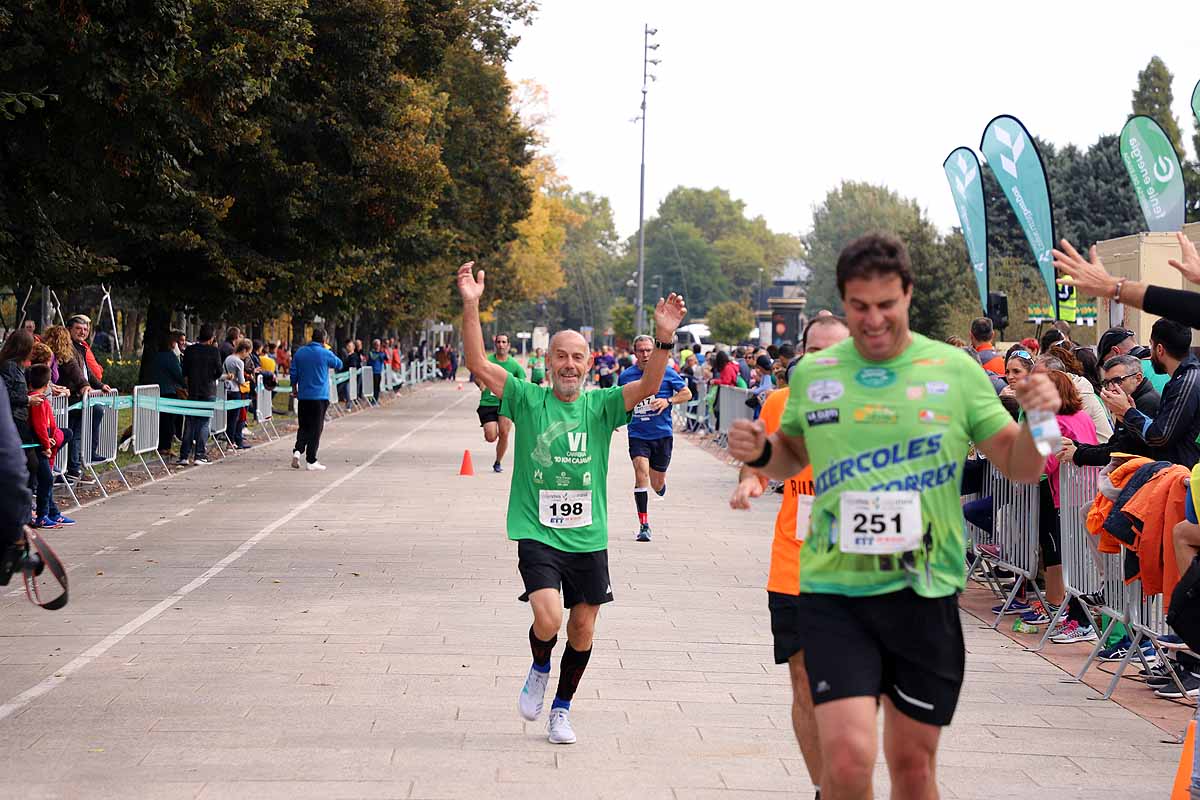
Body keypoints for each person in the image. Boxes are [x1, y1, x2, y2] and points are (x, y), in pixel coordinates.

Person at [727, 233, 1060, 800]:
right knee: (849, 759)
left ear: (908, 294)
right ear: (844, 301)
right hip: (836, 589)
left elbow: (1022, 466)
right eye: (859, 307)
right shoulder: (816, 374)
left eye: (886, 305)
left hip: (922, 593)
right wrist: (761, 453)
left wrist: (1041, 425)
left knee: (911, 767)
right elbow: (792, 455)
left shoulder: (953, 370)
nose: (873, 319)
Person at [457, 259, 686, 746]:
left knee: (582, 628)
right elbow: (478, 365)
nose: (568, 365)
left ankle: (561, 708)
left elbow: (648, 386)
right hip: (537, 530)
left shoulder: (600, 405)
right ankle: (540, 666)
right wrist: (472, 305)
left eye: (577, 357)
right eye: (560, 356)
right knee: (549, 618)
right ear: (548, 363)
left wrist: (664, 337)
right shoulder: (526, 397)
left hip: (588, 536)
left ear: (587, 364)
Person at [729, 314, 850, 800]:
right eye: (813, 351)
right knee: (804, 683)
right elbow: (758, 460)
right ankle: (825, 788)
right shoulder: (783, 403)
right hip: (794, 567)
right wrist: (749, 481)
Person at [1096, 318, 1200, 468]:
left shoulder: (1186, 383)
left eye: (1150, 345)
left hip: (1183, 479)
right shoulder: (1181, 380)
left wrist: (1128, 411)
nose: (1149, 354)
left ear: (1159, 349)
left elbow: (1160, 436)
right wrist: (1130, 414)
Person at [617, 335, 691, 542]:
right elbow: (616, 399)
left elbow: (687, 393)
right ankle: (644, 525)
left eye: (649, 350)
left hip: (662, 434)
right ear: (634, 353)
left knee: (656, 483)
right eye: (641, 350)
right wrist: (611, 420)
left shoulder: (666, 373)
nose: (645, 354)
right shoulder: (626, 376)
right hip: (638, 434)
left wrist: (668, 400)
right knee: (641, 474)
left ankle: (660, 487)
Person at [1061, 354, 1160, 467]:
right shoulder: (1126, 401)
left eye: (1117, 381)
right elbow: (1114, 444)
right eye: (1107, 383)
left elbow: (1124, 453)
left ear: (1138, 378)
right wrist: (1077, 447)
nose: (1111, 388)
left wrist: (1078, 453)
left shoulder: (1148, 402)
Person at [26, 365, 73, 529]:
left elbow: (50, 423)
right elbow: (41, 426)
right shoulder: (38, 401)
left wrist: (52, 437)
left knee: (45, 479)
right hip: (39, 446)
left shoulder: (39, 400)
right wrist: (47, 444)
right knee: (45, 479)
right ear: (47, 385)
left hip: (42, 442)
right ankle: (42, 514)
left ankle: (47, 513)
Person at [290, 328, 343, 471]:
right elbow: (339, 364)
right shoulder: (325, 353)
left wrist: (294, 388)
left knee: (304, 425)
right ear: (324, 340)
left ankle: (297, 450)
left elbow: (293, 372)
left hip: (304, 395)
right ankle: (311, 460)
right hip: (320, 396)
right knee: (316, 428)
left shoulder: (300, 352)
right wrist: (327, 349)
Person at [64, 315, 110, 479]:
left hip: (80, 396)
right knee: (72, 433)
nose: (82, 332)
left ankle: (80, 462)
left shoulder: (81, 347)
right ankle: (72, 468)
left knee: (84, 425)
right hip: (71, 397)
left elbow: (87, 372)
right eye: (78, 329)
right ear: (69, 329)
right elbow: (74, 370)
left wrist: (100, 385)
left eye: (85, 329)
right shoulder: (67, 347)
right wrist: (84, 385)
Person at [476, 333, 525, 473]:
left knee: (504, 433)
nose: (501, 345)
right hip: (488, 403)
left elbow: (522, 383)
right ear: (495, 344)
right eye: (498, 342)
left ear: (508, 345)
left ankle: (498, 462)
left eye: (504, 342)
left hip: (506, 403)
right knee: (491, 436)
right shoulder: (487, 361)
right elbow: (477, 376)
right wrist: (480, 383)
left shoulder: (514, 365)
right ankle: (492, 432)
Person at [179, 325, 222, 466]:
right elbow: (219, 371)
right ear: (211, 339)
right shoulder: (214, 351)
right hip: (208, 390)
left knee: (190, 422)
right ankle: (199, 454)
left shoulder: (190, 351)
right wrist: (211, 377)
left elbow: (184, 371)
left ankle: (184, 456)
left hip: (193, 390)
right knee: (204, 422)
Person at [154, 331, 186, 457]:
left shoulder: (156, 356)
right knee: (168, 422)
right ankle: (165, 447)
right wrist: (185, 385)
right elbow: (178, 374)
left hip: (156, 391)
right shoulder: (170, 356)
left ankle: (159, 445)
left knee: (161, 420)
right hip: (169, 391)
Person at [224, 339, 252, 450]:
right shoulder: (239, 362)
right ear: (244, 350)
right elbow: (241, 380)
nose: (248, 355)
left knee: (228, 417)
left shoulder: (228, 358)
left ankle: (228, 440)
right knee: (234, 418)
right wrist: (246, 381)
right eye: (248, 352)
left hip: (226, 389)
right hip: (236, 391)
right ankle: (231, 441)